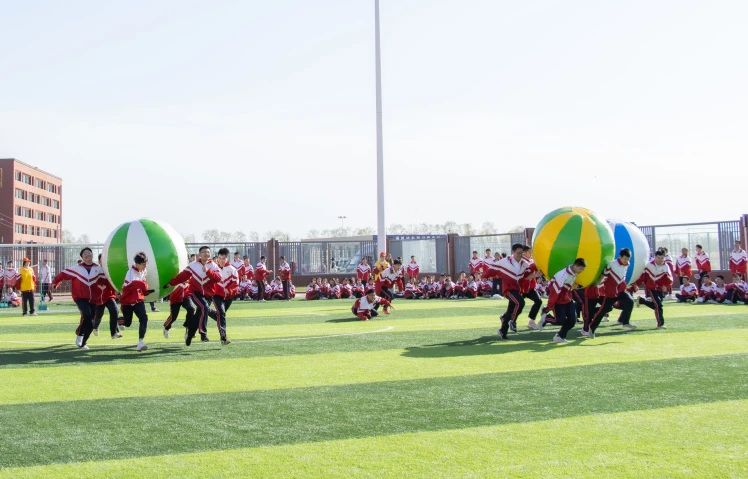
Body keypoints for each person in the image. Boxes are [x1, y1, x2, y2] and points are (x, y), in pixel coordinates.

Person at [52, 247, 106, 350]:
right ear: (82, 257)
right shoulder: (76, 268)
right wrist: (55, 282)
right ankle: (81, 340)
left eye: (89, 253)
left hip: (94, 299)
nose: (87, 255)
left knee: (91, 321)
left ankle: (81, 338)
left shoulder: (98, 269)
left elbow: (106, 279)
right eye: (85, 254)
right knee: (87, 316)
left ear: (92, 254)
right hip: (80, 297)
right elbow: (63, 274)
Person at [167, 246, 221, 345]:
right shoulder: (193, 265)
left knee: (198, 315)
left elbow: (218, 278)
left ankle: (190, 334)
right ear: (199, 254)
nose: (206, 254)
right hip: (195, 293)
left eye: (208, 252)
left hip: (208, 295)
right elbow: (182, 276)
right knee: (204, 307)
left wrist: (208, 271)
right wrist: (171, 283)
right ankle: (203, 333)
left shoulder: (213, 265)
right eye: (203, 252)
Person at [585, 248, 635, 337]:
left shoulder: (627, 264)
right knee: (603, 311)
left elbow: (621, 277)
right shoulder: (611, 264)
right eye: (624, 259)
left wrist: (624, 285)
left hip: (620, 291)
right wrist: (598, 283)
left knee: (630, 301)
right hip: (610, 292)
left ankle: (625, 322)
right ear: (620, 257)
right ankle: (591, 329)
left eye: (628, 259)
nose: (626, 261)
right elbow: (603, 275)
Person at [546, 258, 587, 343]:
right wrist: (549, 306)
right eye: (581, 269)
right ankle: (547, 318)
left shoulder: (574, 272)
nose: (581, 271)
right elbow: (554, 292)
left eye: (583, 269)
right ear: (575, 266)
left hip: (568, 299)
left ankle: (559, 337)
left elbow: (567, 287)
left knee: (572, 320)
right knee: (560, 321)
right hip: (558, 301)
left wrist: (572, 288)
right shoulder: (562, 275)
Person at [495, 243, 531, 339]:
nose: (520, 255)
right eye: (518, 253)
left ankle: (503, 330)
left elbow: (523, 278)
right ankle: (512, 320)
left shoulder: (523, 263)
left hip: (516, 290)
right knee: (520, 302)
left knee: (510, 311)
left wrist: (533, 276)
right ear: (513, 252)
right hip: (508, 290)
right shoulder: (507, 262)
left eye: (522, 253)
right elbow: (494, 268)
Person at [120, 252, 151, 351]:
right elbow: (133, 285)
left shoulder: (143, 270)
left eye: (146, 264)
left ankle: (140, 342)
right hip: (127, 301)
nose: (145, 266)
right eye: (143, 264)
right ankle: (118, 321)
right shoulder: (130, 273)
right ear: (137, 264)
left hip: (138, 300)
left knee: (144, 318)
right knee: (127, 323)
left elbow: (143, 282)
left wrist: (145, 290)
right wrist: (144, 287)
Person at [637, 249, 673, 329]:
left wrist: (665, 285)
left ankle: (641, 301)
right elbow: (642, 277)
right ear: (655, 257)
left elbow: (670, 278)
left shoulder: (666, 266)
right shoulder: (649, 265)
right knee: (659, 305)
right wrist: (635, 285)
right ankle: (660, 324)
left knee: (656, 305)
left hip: (660, 289)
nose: (660, 260)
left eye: (662, 258)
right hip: (651, 288)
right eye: (658, 258)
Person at [213, 248, 238, 345]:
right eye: (219, 258)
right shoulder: (214, 268)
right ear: (217, 258)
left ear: (227, 258)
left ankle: (206, 310)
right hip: (216, 295)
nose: (221, 260)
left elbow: (236, 285)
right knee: (221, 313)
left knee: (220, 315)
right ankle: (223, 338)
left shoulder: (233, 270)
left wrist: (229, 290)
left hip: (229, 297)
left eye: (223, 258)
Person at [93, 254, 122, 339]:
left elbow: (115, 281)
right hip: (99, 297)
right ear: (99, 261)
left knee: (115, 311)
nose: (103, 261)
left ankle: (114, 333)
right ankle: (95, 327)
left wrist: (117, 291)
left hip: (109, 296)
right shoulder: (96, 270)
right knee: (99, 315)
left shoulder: (111, 269)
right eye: (101, 260)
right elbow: (92, 281)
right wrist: (98, 285)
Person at [520, 246, 543, 330]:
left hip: (530, 288)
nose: (531, 254)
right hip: (521, 288)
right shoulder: (520, 262)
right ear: (524, 253)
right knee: (517, 305)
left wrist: (539, 275)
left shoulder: (532, 261)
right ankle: (506, 318)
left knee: (538, 301)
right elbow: (523, 277)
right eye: (530, 252)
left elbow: (536, 272)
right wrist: (534, 275)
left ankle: (531, 321)